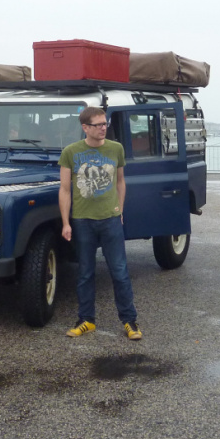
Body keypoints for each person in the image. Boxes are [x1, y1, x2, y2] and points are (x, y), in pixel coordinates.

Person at [58, 107, 142, 341]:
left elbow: (120, 182)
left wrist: (120, 210)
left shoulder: (116, 149)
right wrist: (66, 223)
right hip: (82, 221)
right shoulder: (70, 152)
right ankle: (86, 320)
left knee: (120, 272)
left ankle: (129, 321)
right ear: (85, 127)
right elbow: (65, 190)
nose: (103, 128)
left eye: (105, 123)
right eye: (98, 125)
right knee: (85, 273)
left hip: (110, 220)